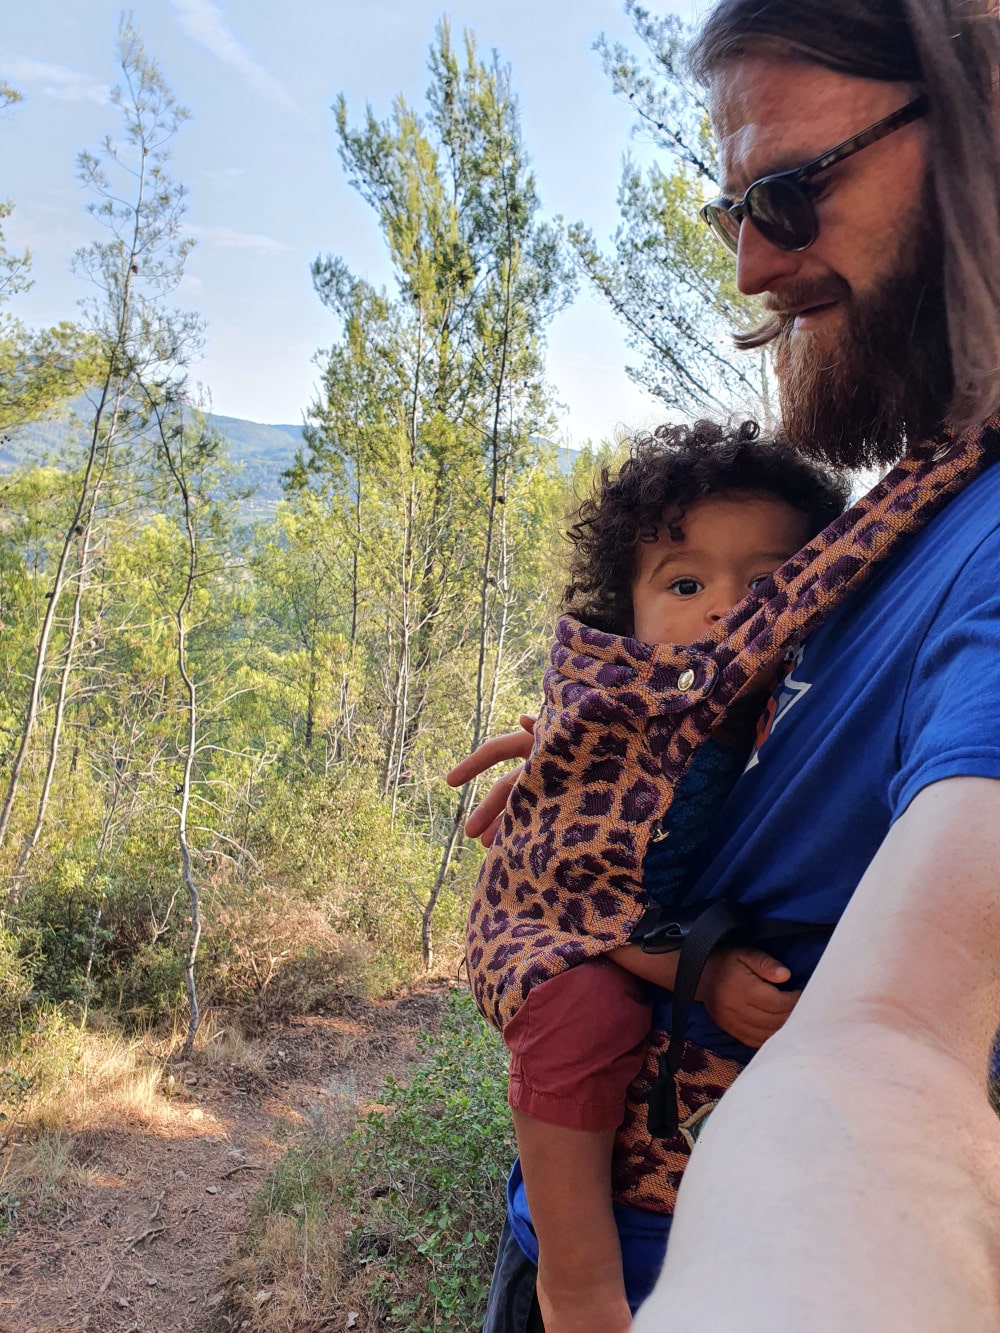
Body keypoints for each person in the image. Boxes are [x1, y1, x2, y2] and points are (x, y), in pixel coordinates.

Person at [452, 0, 1000, 1327]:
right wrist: (601, 771)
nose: (752, 266)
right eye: (732, 212)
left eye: (792, 192)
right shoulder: (920, 504)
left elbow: (900, 1044)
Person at [495, 422, 848, 1332]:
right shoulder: (631, 714)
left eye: (769, 583)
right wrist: (707, 976)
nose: (727, 608)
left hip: (735, 1236)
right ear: (630, 614)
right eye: (686, 583)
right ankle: (575, 1285)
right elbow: (581, 898)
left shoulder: (810, 713)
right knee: (581, 1013)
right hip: (569, 950)